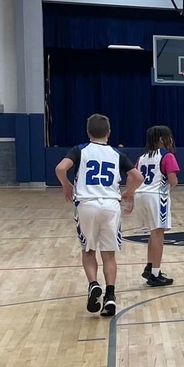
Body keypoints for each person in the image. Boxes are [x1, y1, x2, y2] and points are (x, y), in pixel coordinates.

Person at [55, 114, 143, 317]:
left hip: (86, 204)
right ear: (109, 133)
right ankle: (110, 295)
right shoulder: (116, 154)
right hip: (111, 205)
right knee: (109, 254)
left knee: (88, 250)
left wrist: (66, 184)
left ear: (88, 132)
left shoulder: (80, 150)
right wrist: (128, 193)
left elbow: (60, 168)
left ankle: (94, 284)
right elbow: (137, 177)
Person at [135, 125, 181, 287]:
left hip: (140, 194)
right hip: (156, 196)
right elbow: (173, 181)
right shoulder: (167, 156)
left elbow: (135, 177)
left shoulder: (142, 157)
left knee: (153, 233)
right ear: (162, 139)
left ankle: (149, 267)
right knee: (158, 234)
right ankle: (155, 273)